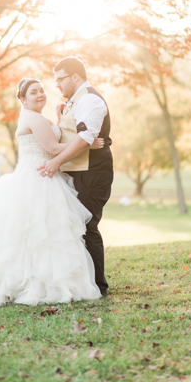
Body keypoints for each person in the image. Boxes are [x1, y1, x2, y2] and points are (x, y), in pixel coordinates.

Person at [0, 78, 102, 307]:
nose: (40, 94)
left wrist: (60, 120)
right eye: (34, 92)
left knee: (32, 235)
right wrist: (87, 142)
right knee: (42, 233)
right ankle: (39, 285)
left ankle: (33, 283)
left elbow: (52, 141)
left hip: (39, 174)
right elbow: (52, 148)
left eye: (42, 90)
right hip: (39, 178)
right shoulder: (34, 118)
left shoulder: (34, 117)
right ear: (22, 99)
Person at [37, 56, 114, 297]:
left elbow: (85, 138)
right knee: (71, 228)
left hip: (92, 174)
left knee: (87, 226)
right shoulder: (72, 102)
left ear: (75, 77)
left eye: (60, 79)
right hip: (75, 173)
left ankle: (98, 287)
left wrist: (56, 161)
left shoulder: (90, 99)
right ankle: (80, 284)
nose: (57, 85)